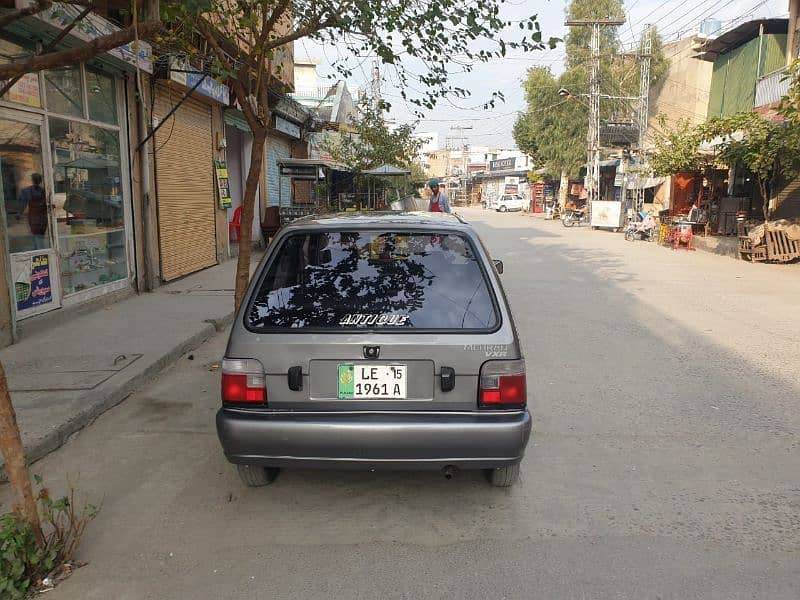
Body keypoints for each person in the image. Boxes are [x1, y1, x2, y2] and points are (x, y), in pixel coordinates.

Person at [20, 173, 49, 249]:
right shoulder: (43, 191)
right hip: (40, 217)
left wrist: (19, 213)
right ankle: (39, 250)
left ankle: (38, 250)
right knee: (39, 236)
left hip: (37, 217)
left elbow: (24, 204)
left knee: (37, 235)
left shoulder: (28, 191)